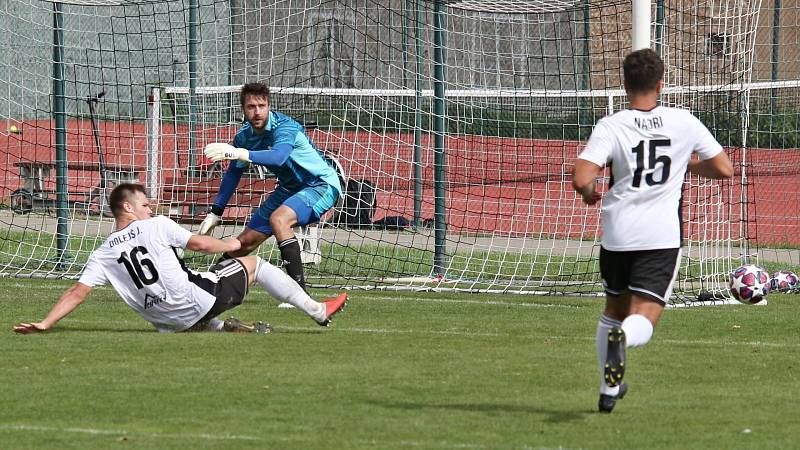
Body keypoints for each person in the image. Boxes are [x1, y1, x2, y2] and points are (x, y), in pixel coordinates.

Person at [572, 48, 733, 413]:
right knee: (642, 316)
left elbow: (582, 176)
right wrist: (684, 165)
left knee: (614, 307)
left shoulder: (611, 124)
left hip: (617, 233)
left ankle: (608, 389)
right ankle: (624, 339)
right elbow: (724, 168)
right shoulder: (683, 121)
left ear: (625, 84)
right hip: (659, 236)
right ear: (660, 84)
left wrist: (588, 194)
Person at [13, 183, 348, 335]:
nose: (150, 208)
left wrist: (46, 323)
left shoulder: (103, 252)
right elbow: (201, 245)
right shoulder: (156, 225)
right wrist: (234, 242)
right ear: (128, 208)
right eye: (144, 204)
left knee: (200, 280)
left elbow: (77, 292)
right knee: (254, 265)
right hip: (191, 302)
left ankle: (222, 327)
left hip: (165, 322)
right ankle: (318, 310)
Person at [199, 82, 342, 292]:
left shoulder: (285, 127)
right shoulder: (244, 137)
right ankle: (204, 284)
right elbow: (233, 173)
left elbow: (278, 157)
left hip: (320, 185)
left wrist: (241, 153)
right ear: (243, 110)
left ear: (268, 106)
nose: (257, 112)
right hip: (288, 189)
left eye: (262, 105)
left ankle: (299, 294)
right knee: (245, 242)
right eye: (251, 107)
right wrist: (217, 211)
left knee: (279, 220)